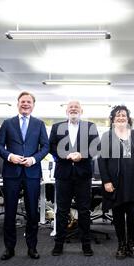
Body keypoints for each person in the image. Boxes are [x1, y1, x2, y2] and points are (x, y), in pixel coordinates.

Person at [0, 91, 49, 260]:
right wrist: (10, 156)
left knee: (33, 212)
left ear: (33, 105)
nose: (25, 104)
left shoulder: (39, 124)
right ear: (17, 103)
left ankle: (32, 247)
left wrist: (34, 159)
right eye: (22, 101)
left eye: (28, 102)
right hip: (11, 172)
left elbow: (45, 147)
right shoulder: (7, 123)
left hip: (32, 172)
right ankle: (9, 248)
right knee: (10, 212)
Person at [48, 101, 100, 256]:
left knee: (84, 210)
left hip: (83, 174)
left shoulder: (90, 126)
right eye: (70, 108)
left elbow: (96, 147)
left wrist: (81, 155)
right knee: (61, 210)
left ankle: (86, 245)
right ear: (66, 111)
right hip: (63, 174)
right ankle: (59, 244)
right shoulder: (57, 127)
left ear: (81, 111)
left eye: (76, 108)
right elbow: (51, 147)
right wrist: (66, 155)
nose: (73, 109)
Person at [98, 105, 134, 259]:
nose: (121, 118)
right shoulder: (107, 136)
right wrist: (106, 181)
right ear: (113, 119)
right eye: (118, 115)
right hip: (116, 182)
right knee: (118, 214)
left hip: (133, 182)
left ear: (128, 118)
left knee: (133, 214)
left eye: (124, 115)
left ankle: (131, 244)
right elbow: (102, 161)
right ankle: (121, 244)